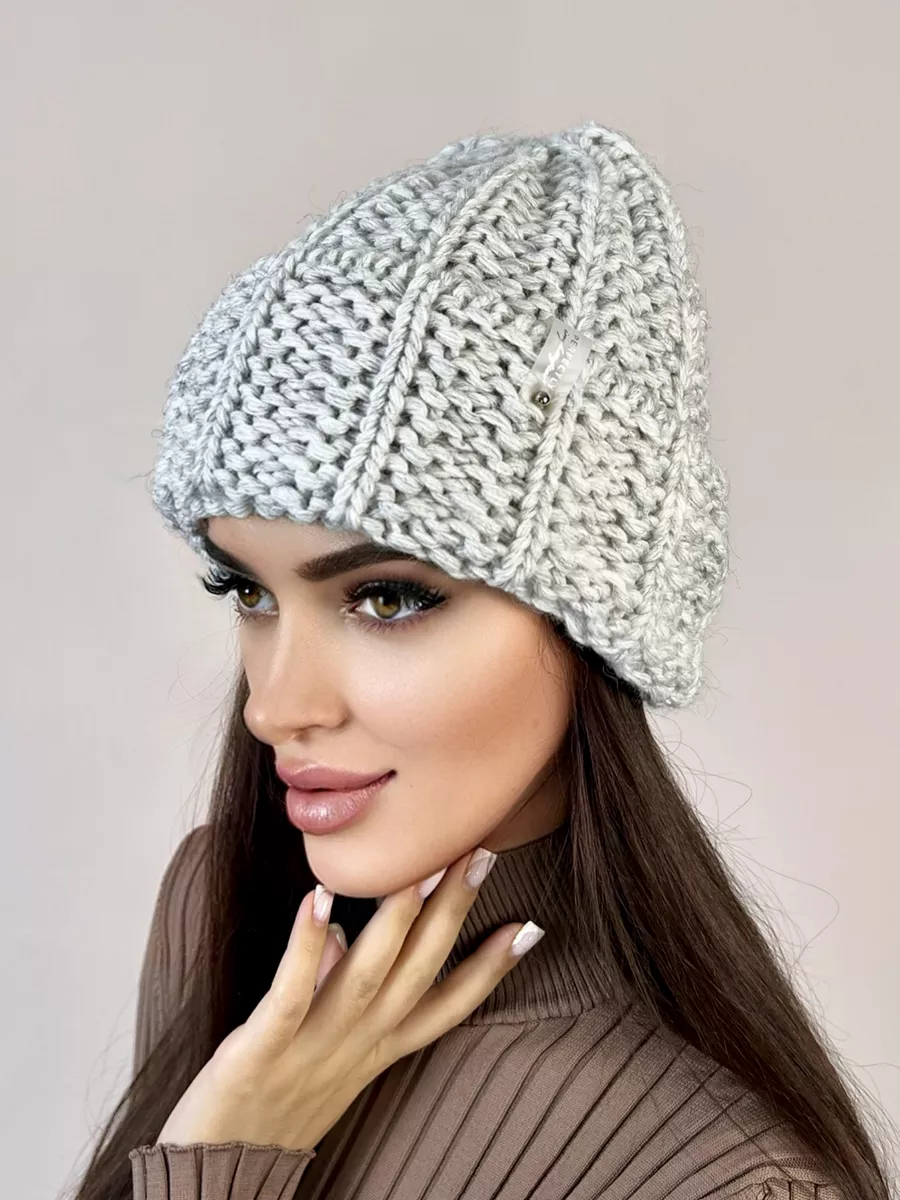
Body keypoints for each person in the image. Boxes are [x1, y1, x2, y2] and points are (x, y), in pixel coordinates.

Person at [71, 121, 893, 1200]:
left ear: (595, 621)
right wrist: (234, 1140)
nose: (275, 707)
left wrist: (218, 1167)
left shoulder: (727, 1180)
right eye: (249, 592)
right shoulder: (222, 912)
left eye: (388, 598)